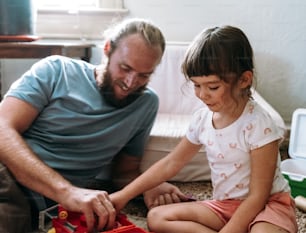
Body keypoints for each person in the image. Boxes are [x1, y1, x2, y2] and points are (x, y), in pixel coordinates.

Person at [0, 18, 188, 233]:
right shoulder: (56, 70)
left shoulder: (146, 104)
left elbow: (125, 171)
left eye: (144, 76)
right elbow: (2, 129)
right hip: (9, 175)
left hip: (51, 206)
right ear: (107, 49)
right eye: (125, 68)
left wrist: (149, 186)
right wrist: (68, 192)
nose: (130, 83)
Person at [110, 25, 298, 233]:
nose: (202, 95)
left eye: (213, 87)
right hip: (226, 207)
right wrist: (122, 195)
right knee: (157, 217)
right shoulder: (202, 119)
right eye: (196, 85)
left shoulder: (259, 124)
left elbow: (258, 197)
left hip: (267, 207)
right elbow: (171, 163)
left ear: (244, 80)